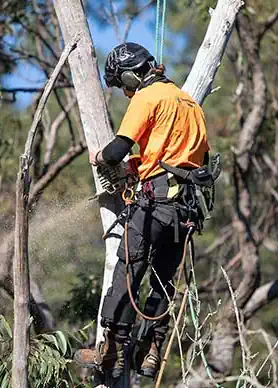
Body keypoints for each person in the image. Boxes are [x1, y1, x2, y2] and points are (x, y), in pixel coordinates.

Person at [74, 42, 210, 379]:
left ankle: (111, 352)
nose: (124, 91)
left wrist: (101, 158)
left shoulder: (147, 97)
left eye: (123, 84)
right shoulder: (188, 101)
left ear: (132, 76)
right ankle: (152, 350)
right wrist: (142, 164)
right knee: (163, 279)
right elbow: (189, 158)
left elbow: (119, 147)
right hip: (186, 210)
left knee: (128, 270)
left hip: (155, 204)